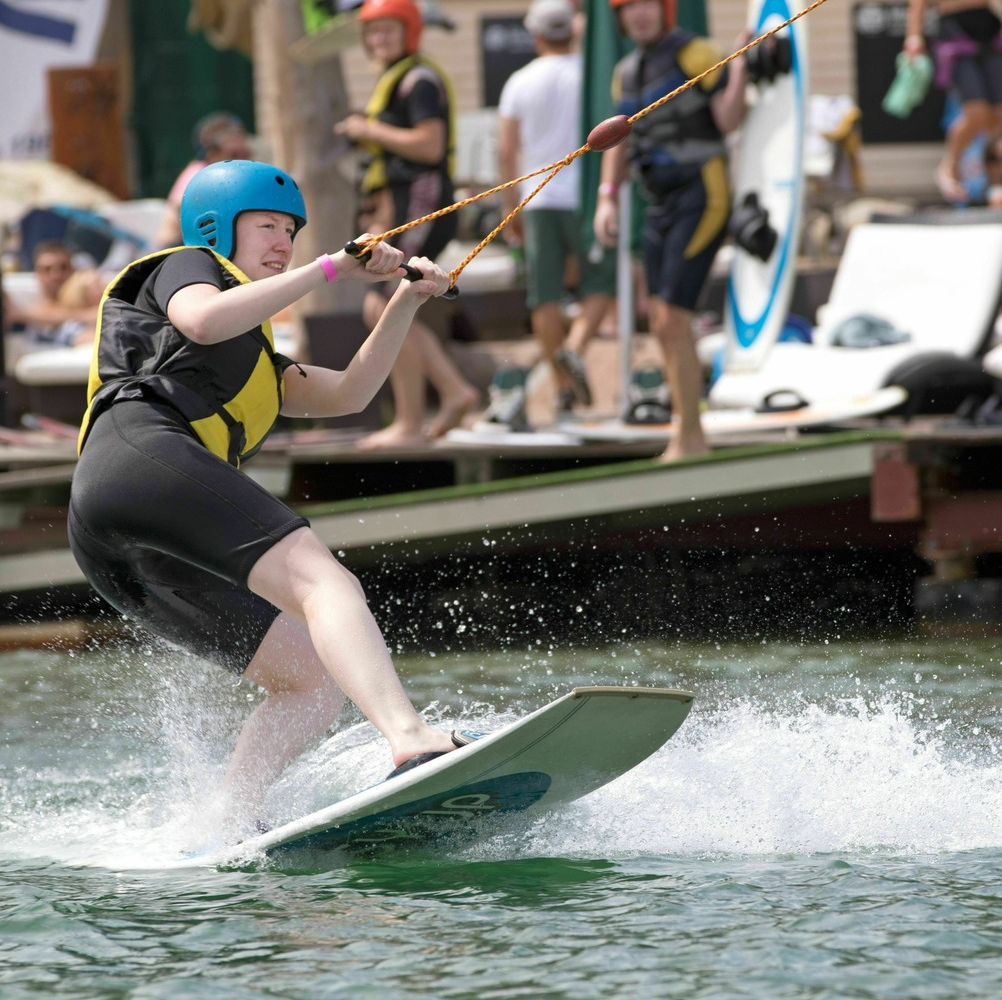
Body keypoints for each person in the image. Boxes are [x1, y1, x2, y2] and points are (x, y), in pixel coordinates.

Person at [68, 159, 461, 841]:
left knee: (312, 679)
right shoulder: (186, 266)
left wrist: (406, 299)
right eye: (267, 227)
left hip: (114, 535)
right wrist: (330, 269)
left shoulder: (258, 360)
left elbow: (350, 393)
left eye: (290, 232)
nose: (283, 243)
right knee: (324, 583)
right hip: (139, 454)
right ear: (217, 229)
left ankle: (230, 819)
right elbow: (202, 319)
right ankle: (411, 738)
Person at [594, 0, 748, 460]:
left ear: (664, 9)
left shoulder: (696, 53)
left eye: (647, 3)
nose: (638, 14)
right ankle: (685, 431)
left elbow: (727, 120)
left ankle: (692, 437)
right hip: (659, 204)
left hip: (704, 194)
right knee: (661, 322)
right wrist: (606, 196)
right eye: (628, 8)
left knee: (675, 318)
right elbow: (618, 141)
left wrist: (739, 68)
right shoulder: (625, 72)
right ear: (620, 18)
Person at [335, 0, 479, 447]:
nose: (379, 39)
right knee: (382, 304)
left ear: (410, 31)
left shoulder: (420, 81)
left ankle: (422, 414)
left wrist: (368, 130)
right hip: (400, 204)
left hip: (423, 201)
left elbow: (429, 145)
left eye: (388, 30)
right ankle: (440, 399)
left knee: (383, 304)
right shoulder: (397, 79)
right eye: (372, 32)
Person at [497, 0, 603, 416]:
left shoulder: (519, 81)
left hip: (537, 200)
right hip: (587, 198)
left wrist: (510, 209)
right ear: (573, 31)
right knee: (602, 286)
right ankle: (575, 347)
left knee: (544, 298)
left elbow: (507, 151)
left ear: (535, 35)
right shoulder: (591, 75)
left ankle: (561, 389)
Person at [905, 0, 1002, 203]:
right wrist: (913, 36)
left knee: (997, 117)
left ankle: (993, 186)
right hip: (955, 31)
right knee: (976, 112)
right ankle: (949, 166)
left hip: (987, 29)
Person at [155, 113, 253, 247]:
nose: (242, 161)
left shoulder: (223, 176)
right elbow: (185, 209)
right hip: (176, 248)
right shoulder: (200, 175)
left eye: (245, 155)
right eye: (234, 155)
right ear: (212, 155)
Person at [2, 240, 103, 350]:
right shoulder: (28, 308)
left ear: (73, 270)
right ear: (37, 272)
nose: (56, 275)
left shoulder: (88, 295)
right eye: (47, 269)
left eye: (63, 267)